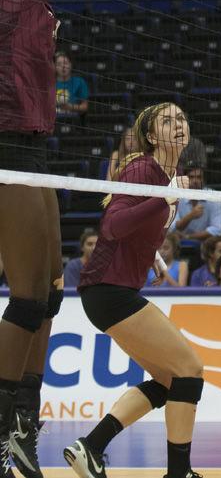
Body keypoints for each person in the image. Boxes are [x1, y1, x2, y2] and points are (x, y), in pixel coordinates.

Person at [0, 0, 127, 478]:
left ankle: (23, 422)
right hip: (7, 149)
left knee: (48, 289)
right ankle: (1, 426)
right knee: (25, 293)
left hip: (35, 149)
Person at [64, 102, 204, 478]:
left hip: (109, 289)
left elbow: (142, 227)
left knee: (169, 380)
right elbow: (113, 226)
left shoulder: (168, 174)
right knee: (189, 371)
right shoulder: (144, 168)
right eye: (167, 120)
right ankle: (180, 474)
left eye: (181, 117)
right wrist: (163, 198)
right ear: (151, 135)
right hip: (109, 289)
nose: (178, 124)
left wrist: (154, 256)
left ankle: (90, 446)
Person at [170, 164, 221, 241]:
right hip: (178, 241)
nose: (195, 181)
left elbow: (217, 230)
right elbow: (173, 227)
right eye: (191, 177)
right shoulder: (176, 196)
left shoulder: (214, 197)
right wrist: (190, 216)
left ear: (204, 180)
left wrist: (189, 237)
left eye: (199, 177)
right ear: (184, 179)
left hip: (206, 242)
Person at [55, 52, 90, 118]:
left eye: (65, 63)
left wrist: (69, 107)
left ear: (71, 65)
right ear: (55, 67)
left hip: (73, 120)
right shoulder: (49, 84)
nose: (63, 66)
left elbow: (85, 107)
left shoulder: (79, 82)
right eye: (59, 64)